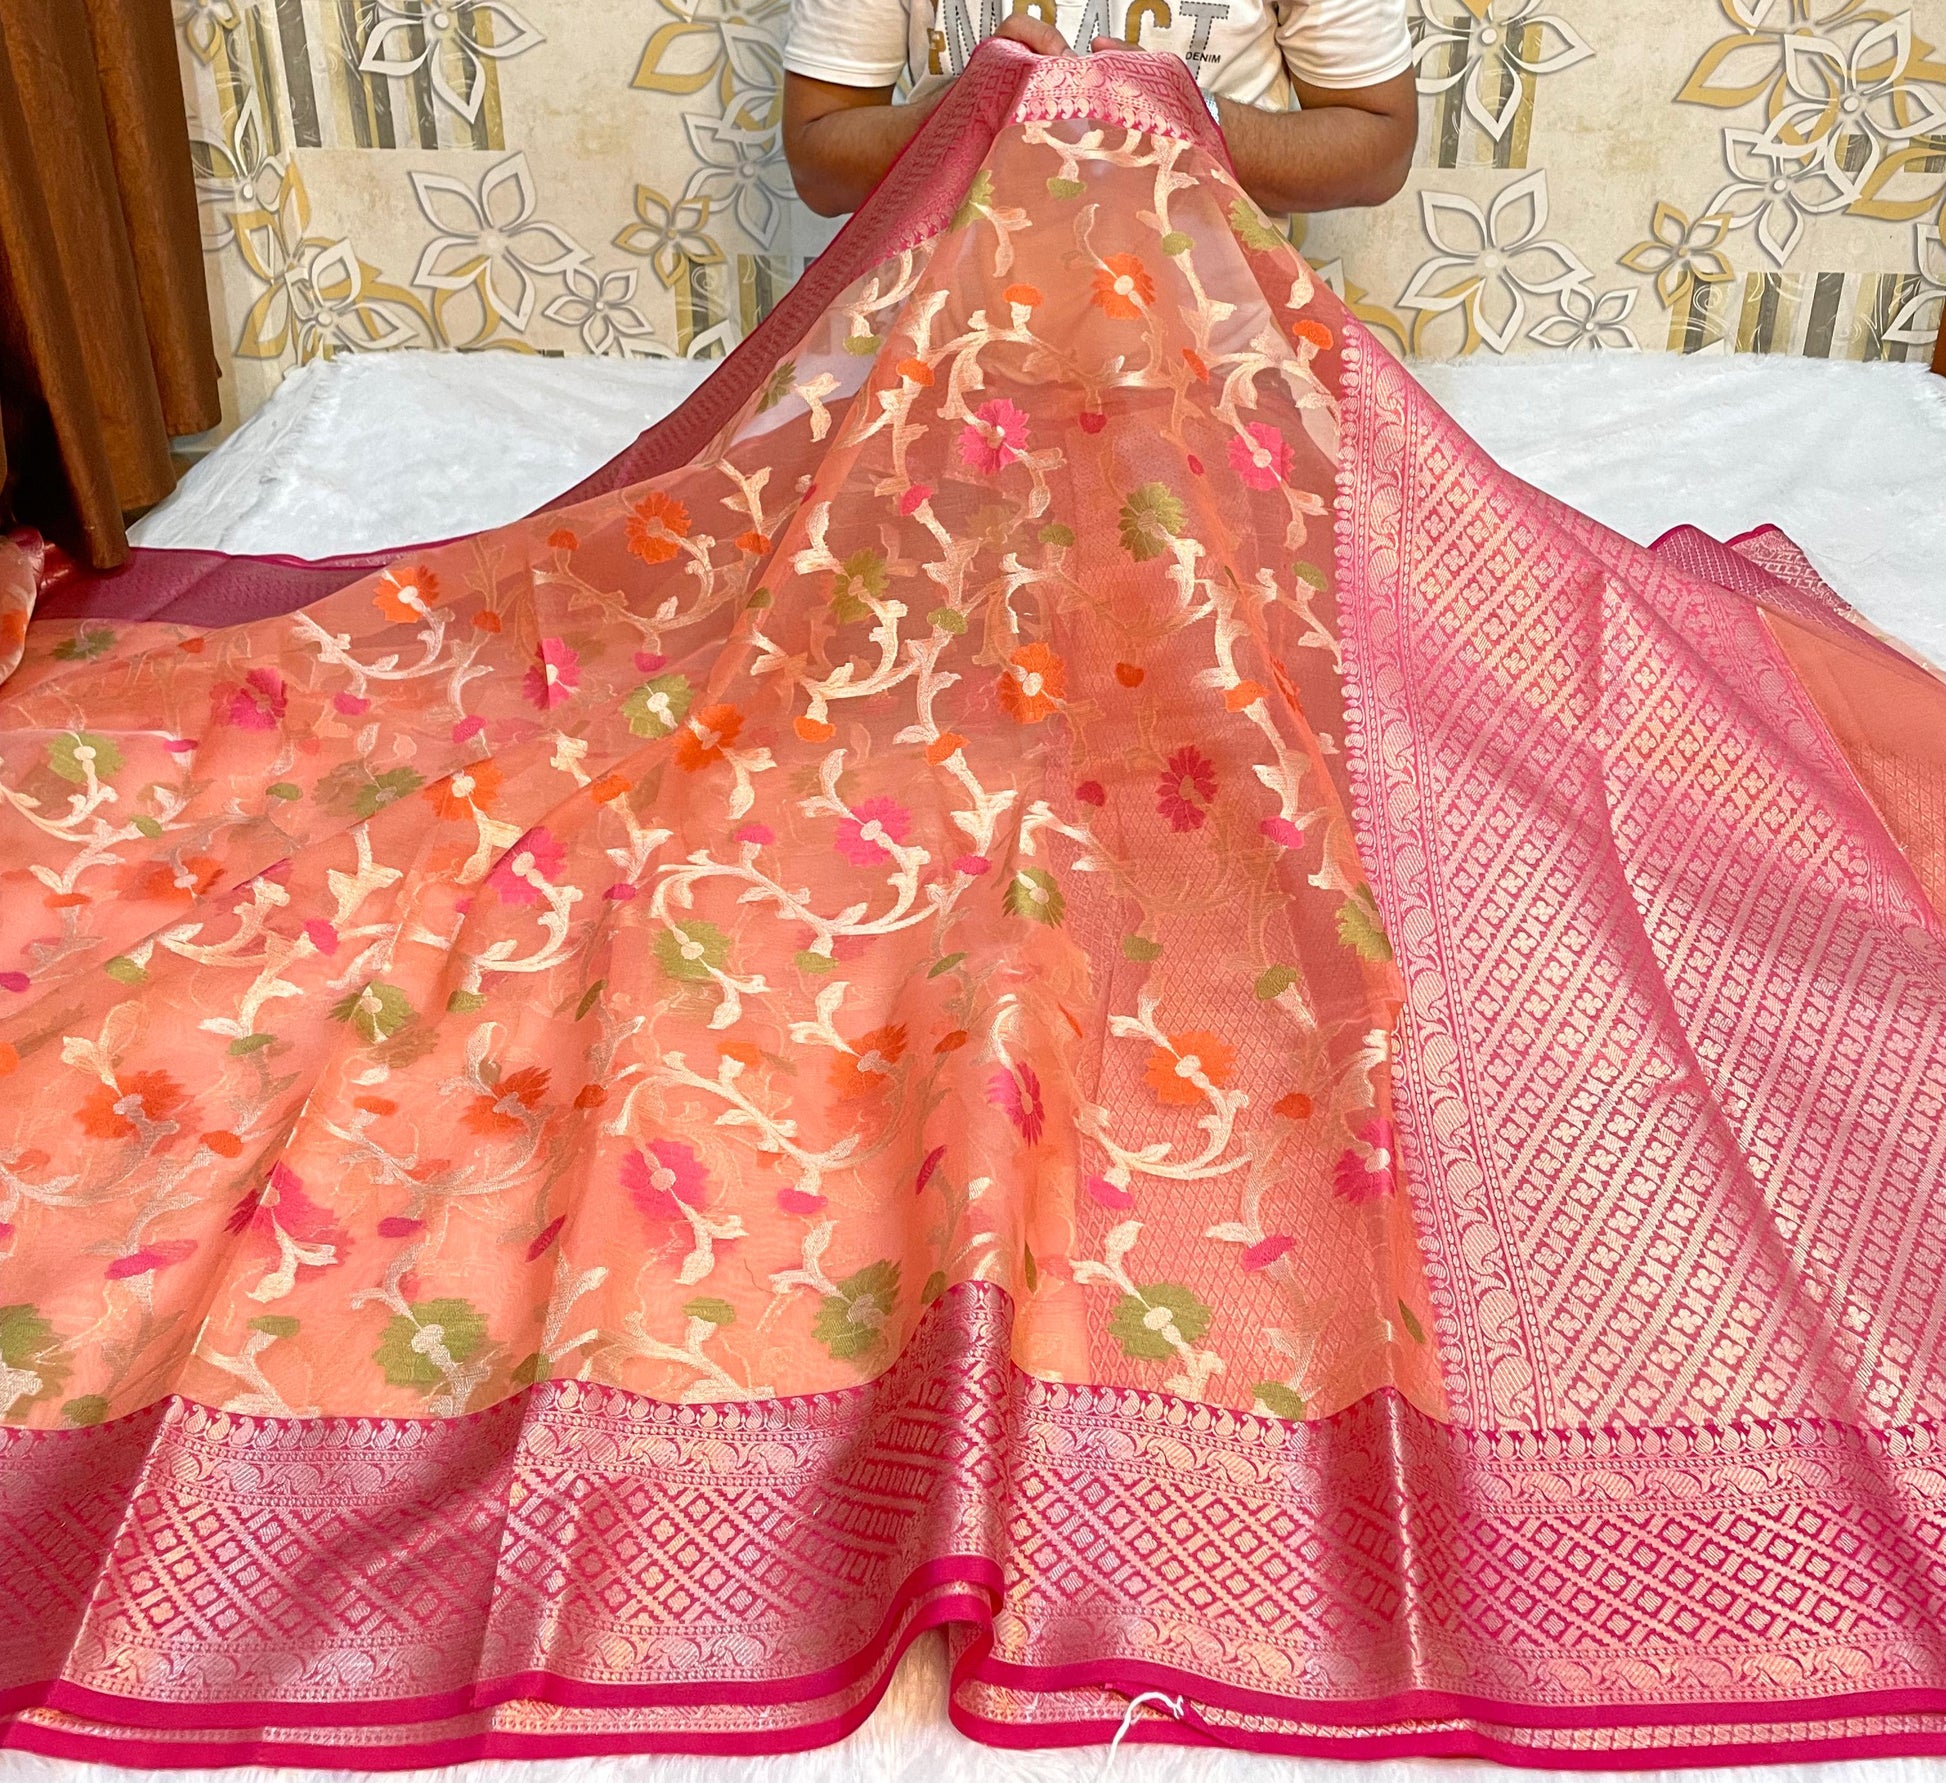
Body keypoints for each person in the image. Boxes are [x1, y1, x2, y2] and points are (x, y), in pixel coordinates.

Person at [782, 0, 1417, 217]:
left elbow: (1381, 148)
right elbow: (818, 162)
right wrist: (959, 119)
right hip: (948, 353)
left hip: (1215, 355)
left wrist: (1190, 124)